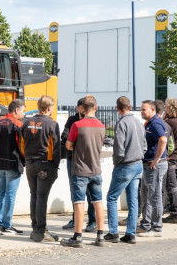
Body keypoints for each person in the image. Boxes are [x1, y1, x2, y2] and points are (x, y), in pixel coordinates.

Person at [60, 95, 106, 248]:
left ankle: (77, 237)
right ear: (96, 107)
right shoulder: (101, 125)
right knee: (98, 202)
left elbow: (68, 145)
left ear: (82, 109)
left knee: (79, 203)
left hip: (80, 169)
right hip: (96, 169)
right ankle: (100, 235)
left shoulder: (77, 125)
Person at [104, 96, 146, 245]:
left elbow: (119, 149)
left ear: (117, 108)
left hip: (125, 165)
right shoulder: (138, 122)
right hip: (137, 164)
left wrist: (116, 162)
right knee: (133, 199)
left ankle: (113, 232)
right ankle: (130, 233)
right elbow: (144, 145)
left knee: (111, 198)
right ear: (130, 106)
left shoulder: (122, 123)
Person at [20, 95, 60, 243]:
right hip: (45, 163)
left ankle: (36, 228)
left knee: (34, 195)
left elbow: (22, 145)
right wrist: (55, 166)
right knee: (42, 197)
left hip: (30, 163)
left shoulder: (26, 123)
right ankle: (40, 231)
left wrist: (28, 159)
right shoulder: (52, 124)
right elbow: (56, 148)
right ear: (49, 108)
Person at [0, 99, 26, 235]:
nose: (23, 114)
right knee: (10, 195)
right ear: (16, 110)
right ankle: (7, 225)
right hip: (12, 164)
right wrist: (24, 160)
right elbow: (21, 147)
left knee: (2, 194)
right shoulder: (18, 125)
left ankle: (0, 225)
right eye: (23, 111)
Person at [61, 98, 96, 232]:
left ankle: (92, 221)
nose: (83, 110)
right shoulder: (72, 120)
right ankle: (76, 219)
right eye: (81, 107)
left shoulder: (93, 121)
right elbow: (64, 137)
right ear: (78, 108)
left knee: (91, 193)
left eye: (84, 107)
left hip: (88, 161)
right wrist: (77, 143)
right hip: (73, 160)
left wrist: (75, 141)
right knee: (74, 191)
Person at [137, 100, 168, 237]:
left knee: (154, 196)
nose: (141, 111)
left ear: (153, 110)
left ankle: (156, 227)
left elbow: (163, 140)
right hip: (149, 164)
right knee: (146, 196)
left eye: (144, 109)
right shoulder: (151, 123)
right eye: (141, 109)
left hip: (154, 165)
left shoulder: (155, 123)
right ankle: (146, 224)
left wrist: (156, 159)